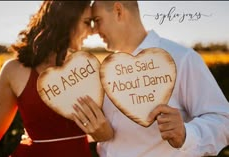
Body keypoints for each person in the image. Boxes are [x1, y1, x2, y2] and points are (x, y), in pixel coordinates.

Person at [87, 1, 229, 156]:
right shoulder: (105, 71)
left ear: (119, 11)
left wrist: (187, 134)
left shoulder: (181, 58)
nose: (93, 31)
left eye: (98, 20)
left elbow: (224, 120)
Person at [0, 1, 113, 157]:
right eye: (86, 22)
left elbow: (110, 130)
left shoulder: (86, 70)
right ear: (65, 20)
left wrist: (104, 134)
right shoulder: (14, 70)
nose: (92, 31)